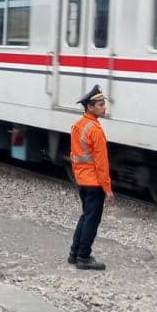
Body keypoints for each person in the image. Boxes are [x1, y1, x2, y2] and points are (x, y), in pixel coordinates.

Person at [67, 84, 114, 271]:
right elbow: (102, 164)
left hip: (82, 180)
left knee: (85, 216)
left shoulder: (78, 126)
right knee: (92, 220)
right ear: (90, 107)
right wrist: (108, 189)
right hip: (94, 183)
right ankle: (84, 257)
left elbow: (75, 155)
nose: (104, 107)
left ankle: (74, 254)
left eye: (104, 104)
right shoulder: (95, 130)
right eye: (101, 104)